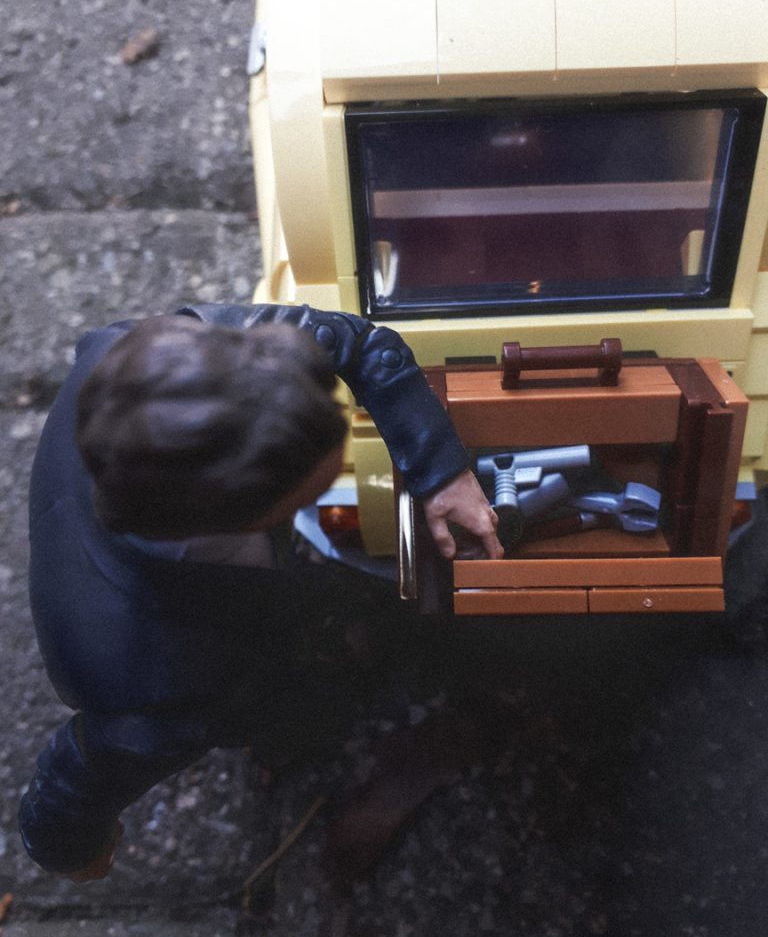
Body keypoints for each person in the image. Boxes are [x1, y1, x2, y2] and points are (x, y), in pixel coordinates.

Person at [20, 302, 502, 882]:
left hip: (203, 589)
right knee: (284, 711)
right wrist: (70, 848)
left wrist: (440, 470)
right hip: (216, 665)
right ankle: (297, 733)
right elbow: (75, 779)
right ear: (234, 521)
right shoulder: (153, 695)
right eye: (304, 496)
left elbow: (355, 342)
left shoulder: (146, 362)